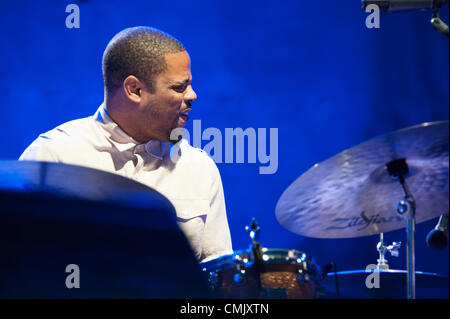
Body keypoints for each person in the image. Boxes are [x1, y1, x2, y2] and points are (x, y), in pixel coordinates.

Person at [19, 26, 233, 262]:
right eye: (179, 87)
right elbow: (19, 266)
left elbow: (218, 278)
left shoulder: (200, 167)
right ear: (135, 90)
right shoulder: (53, 156)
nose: (193, 96)